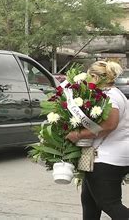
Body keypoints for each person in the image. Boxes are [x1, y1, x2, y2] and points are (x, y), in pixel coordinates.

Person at [65, 61, 129, 219]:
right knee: (89, 201)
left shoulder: (110, 96)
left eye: (88, 76)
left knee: (110, 203)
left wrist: (79, 134)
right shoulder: (111, 93)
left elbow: (109, 125)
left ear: (94, 76)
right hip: (104, 156)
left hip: (107, 159)